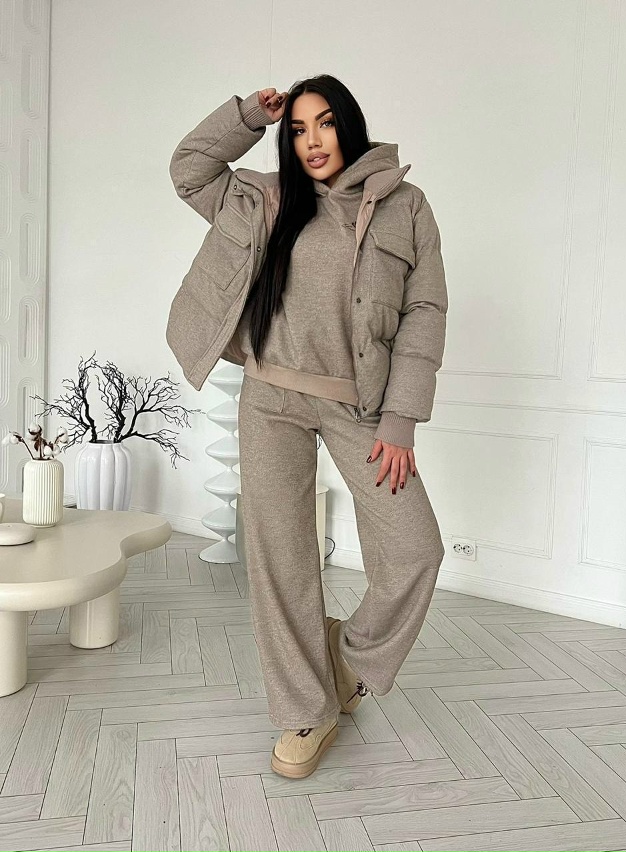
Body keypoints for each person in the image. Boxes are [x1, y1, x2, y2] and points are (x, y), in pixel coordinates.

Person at [167, 74, 448, 780]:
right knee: (282, 560)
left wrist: (401, 420)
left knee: (414, 549)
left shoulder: (406, 206)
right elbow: (189, 168)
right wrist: (246, 117)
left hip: (361, 406)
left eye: (323, 123)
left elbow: (425, 313)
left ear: (349, 124)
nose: (311, 140)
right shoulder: (264, 197)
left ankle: (347, 658)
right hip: (270, 398)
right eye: (297, 129)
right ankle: (304, 710)